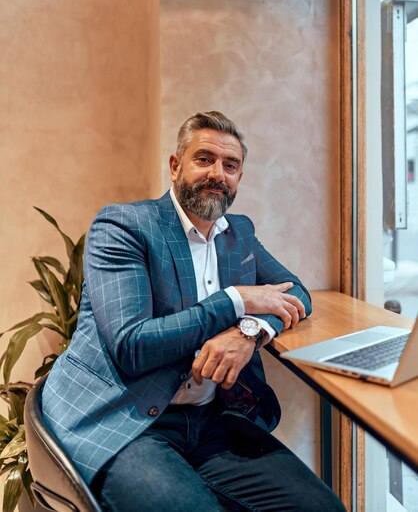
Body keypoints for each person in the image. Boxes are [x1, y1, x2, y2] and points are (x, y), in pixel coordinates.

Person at [42, 111, 345, 512]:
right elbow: (132, 346)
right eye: (204, 159)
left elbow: (298, 293)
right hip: (125, 420)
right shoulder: (124, 227)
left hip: (210, 421)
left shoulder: (238, 233)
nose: (218, 173)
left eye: (230, 165)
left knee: (321, 508)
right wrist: (236, 300)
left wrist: (249, 332)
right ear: (175, 165)